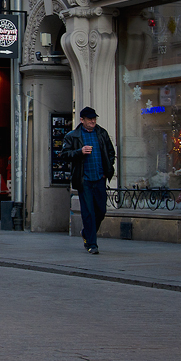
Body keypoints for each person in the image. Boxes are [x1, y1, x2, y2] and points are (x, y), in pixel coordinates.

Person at [60, 107, 116, 255]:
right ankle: (92, 244)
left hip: (99, 178)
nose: (93, 121)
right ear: (82, 120)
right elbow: (64, 154)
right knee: (88, 212)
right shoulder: (73, 136)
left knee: (101, 210)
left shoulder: (101, 133)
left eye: (94, 119)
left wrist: (107, 170)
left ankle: (87, 232)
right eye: (90, 119)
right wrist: (80, 152)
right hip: (84, 179)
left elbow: (111, 152)